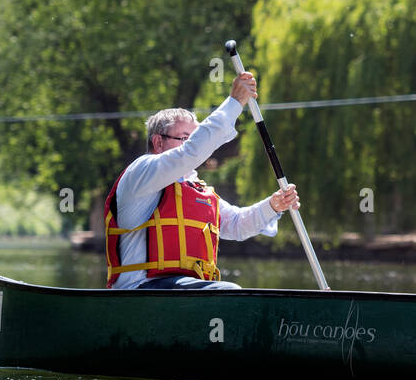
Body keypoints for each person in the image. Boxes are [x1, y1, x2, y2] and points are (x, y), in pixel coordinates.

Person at [103, 70, 301, 289]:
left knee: (229, 292)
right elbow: (192, 152)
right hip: (140, 290)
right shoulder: (142, 172)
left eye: (193, 138)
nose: (193, 144)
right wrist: (234, 102)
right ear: (158, 143)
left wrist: (274, 205)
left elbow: (236, 224)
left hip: (185, 292)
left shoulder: (197, 189)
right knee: (230, 291)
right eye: (185, 139)